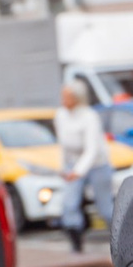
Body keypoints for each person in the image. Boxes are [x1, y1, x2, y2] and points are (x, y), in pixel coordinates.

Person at [54, 83, 111, 254]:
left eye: (68, 97)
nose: (64, 100)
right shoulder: (61, 115)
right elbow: (62, 145)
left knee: (105, 207)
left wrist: (78, 172)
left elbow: (92, 149)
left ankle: (121, 235)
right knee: (69, 204)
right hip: (72, 163)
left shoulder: (89, 116)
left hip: (96, 164)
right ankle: (76, 241)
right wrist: (64, 168)